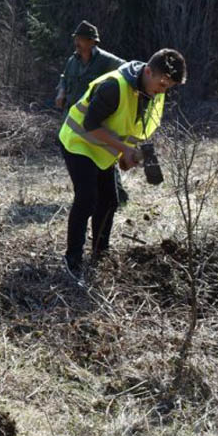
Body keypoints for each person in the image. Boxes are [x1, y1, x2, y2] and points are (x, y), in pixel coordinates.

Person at [58, 48, 187, 274]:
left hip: (103, 149)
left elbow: (130, 129)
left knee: (109, 201)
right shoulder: (114, 87)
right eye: (162, 85)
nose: (162, 92)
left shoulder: (152, 94)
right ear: (148, 71)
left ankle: (100, 253)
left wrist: (126, 156)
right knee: (87, 198)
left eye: (168, 88)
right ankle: (73, 261)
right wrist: (123, 149)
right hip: (78, 141)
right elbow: (90, 125)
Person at [54, 21, 129, 205]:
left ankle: (118, 195)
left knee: (103, 154)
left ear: (92, 42)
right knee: (74, 153)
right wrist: (61, 91)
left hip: (95, 118)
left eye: (81, 40)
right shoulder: (73, 60)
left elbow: (126, 72)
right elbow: (64, 77)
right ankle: (84, 192)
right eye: (76, 39)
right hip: (72, 118)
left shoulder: (107, 60)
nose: (77, 43)